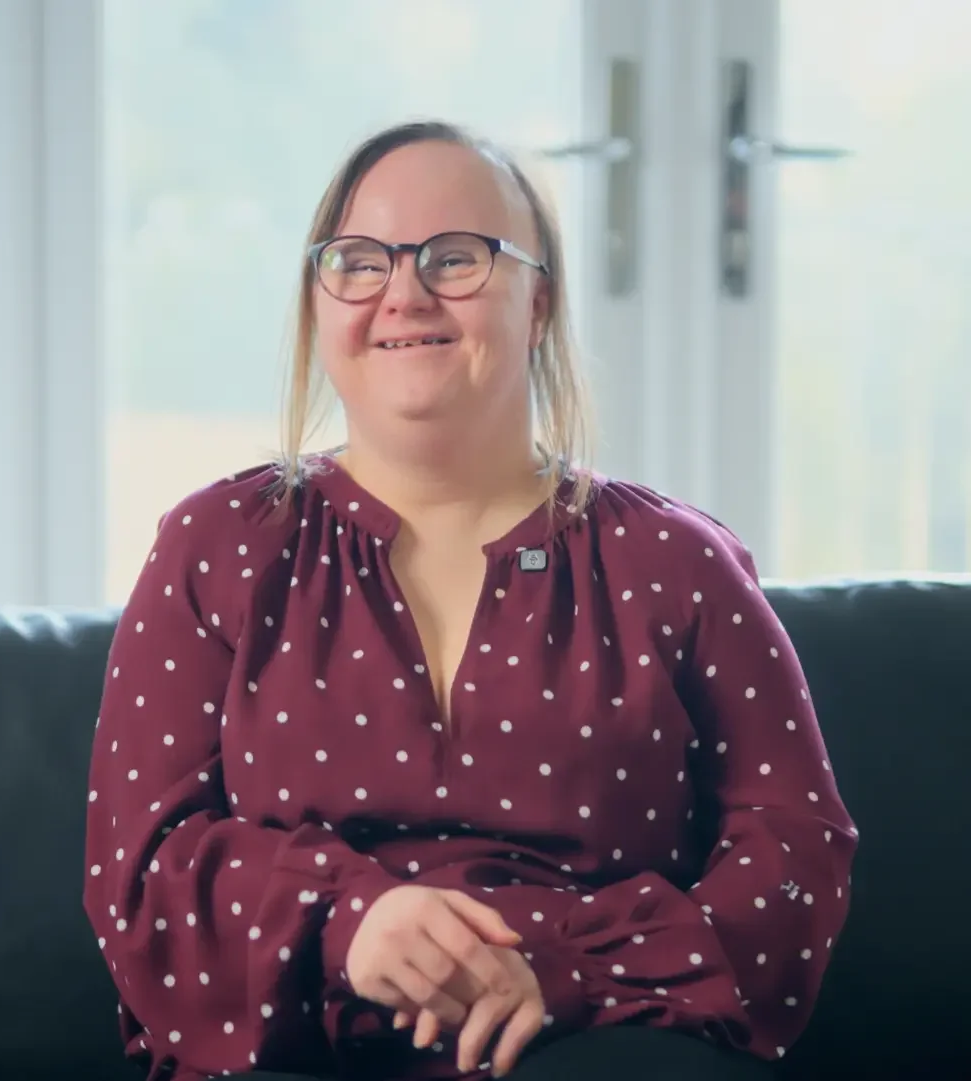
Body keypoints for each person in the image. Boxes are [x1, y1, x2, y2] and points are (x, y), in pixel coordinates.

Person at [83, 120, 857, 1081]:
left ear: (540, 301)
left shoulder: (678, 562)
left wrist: (571, 971)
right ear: (318, 303)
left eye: (455, 258)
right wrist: (347, 922)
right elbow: (139, 865)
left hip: (592, 1046)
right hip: (294, 1044)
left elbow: (793, 850)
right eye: (360, 261)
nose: (403, 293)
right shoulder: (214, 545)